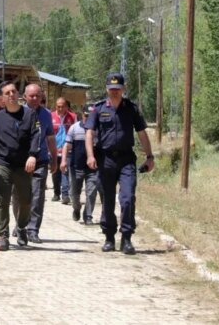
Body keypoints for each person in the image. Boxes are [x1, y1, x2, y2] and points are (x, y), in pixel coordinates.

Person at [86, 73, 154, 255]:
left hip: (126, 160)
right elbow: (89, 133)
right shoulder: (98, 109)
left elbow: (141, 133)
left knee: (128, 198)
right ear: (107, 89)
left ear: (123, 89)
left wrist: (150, 157)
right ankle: (109, 237)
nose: (115, 92)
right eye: (111, 89)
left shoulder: (131, 109)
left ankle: (126, 237)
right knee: (107, 199)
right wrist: (90, 156)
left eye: (118, 89)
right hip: (105, 160)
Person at [0, 81, 41, 251]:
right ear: (2, 99)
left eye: (13, 91)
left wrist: (32, 155)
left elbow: (36, 135)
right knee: (2, 199)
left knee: (26, 200)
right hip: (2, 163)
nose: (11, 95)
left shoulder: (30, 115)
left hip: (23, 165)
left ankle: (21, 227)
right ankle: (3, 236)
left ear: (18, 94)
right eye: (7, 93)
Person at [14, 83, 57, 244]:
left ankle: (33, 230)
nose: (34, 99)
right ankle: (20, 225)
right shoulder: (17, 113)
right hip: (20, 161)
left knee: (37, 196)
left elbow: (50, 137)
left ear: (41, 97)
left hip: (40, 160)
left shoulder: (46, 114)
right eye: (31, 96)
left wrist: (54, 158)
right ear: (24, 96)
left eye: (37, 96)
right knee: (19, 196)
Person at [60, 103, 102, 226]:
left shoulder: (98, 130)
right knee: (75, 192)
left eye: (91, 116)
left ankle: (88, 215)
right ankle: (76, 208)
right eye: (86, 115)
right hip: (76, 167)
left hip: (93, 168)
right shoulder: (74, 128)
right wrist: (63, 161)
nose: (88, 118)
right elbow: (66, 146)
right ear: (81, 115)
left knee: (91, 192)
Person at [51, 97, 76, 204]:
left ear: (66, 106)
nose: (60, 108)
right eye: (58, 106)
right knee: (55, 171)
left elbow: (75, 131)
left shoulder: (73, 117)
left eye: (62, 106)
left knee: (65, 171)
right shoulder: (51, 116)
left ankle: (65, 194)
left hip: (67, 149)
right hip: (54, 149)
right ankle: (56, 193)